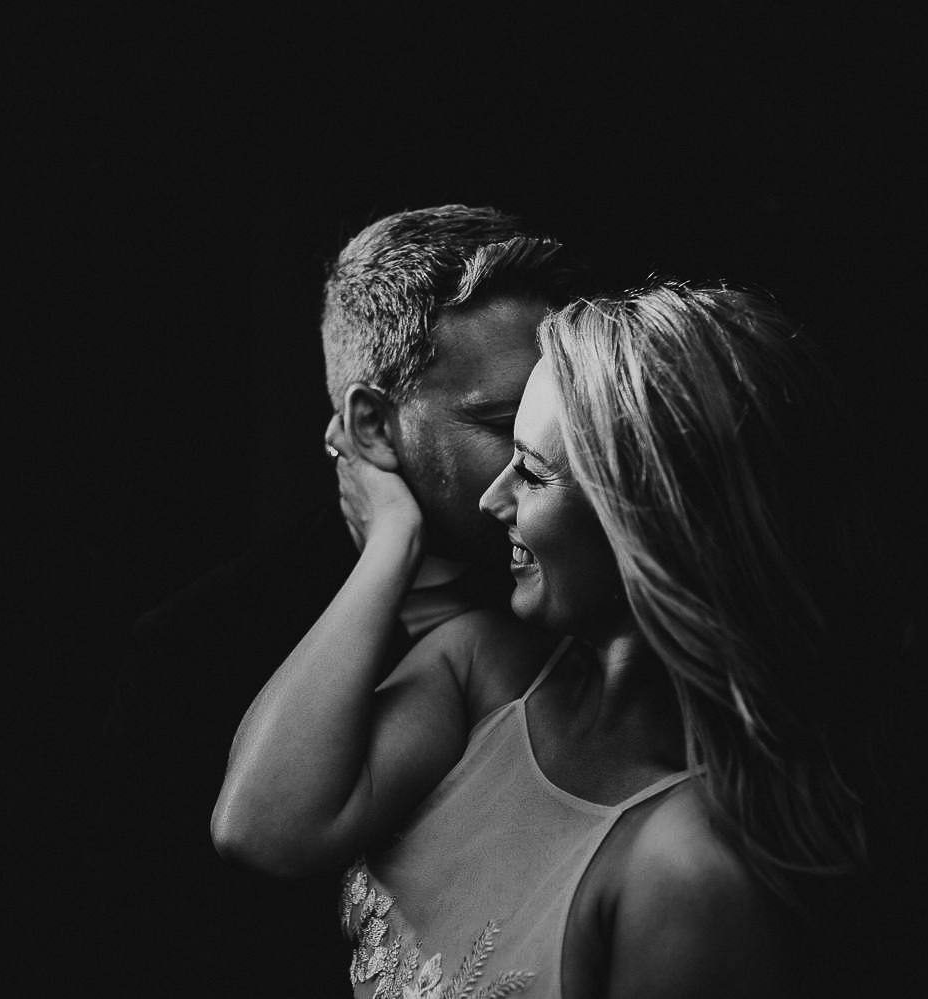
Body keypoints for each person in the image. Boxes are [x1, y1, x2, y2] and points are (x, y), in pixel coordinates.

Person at [214, 281, 872, 996]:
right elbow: (261, 823)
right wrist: (390, 545)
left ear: (644, 522)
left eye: (529, 471)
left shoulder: (685, 871)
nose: (492, 499)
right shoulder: (481, 671)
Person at [94, 206, 581, 989]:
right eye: (499, 421)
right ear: (372, 425)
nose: (551, 451)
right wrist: (392, 545)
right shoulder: (195, 648)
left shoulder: (583, 592)